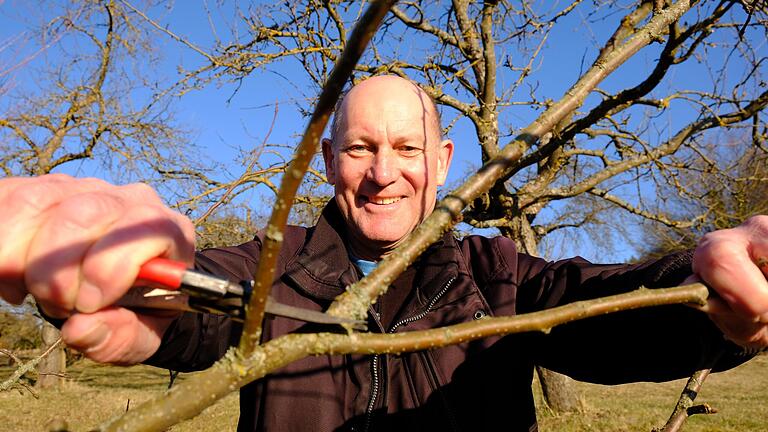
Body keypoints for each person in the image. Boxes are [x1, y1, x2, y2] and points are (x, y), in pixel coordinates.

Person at [1, 75, 767, 431]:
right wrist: (125, 273)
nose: (383, 172)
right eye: (361, 147)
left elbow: (617, 310)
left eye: (406, 147)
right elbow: (195, 304)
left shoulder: (500, 276)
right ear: (330, 158)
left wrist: (714, 289)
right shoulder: (275, 272)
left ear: (443, 159)